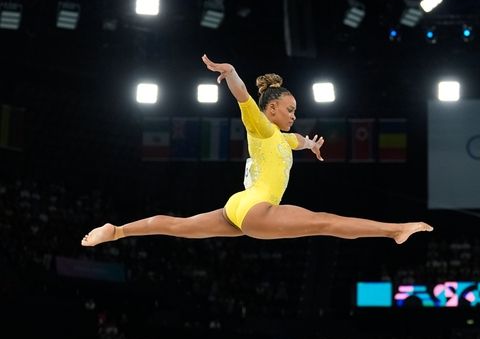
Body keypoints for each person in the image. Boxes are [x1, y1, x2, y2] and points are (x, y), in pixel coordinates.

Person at [81, 54, 432, 247]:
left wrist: (311, 145)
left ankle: (117, 231)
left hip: (240, 206)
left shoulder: (280, 138)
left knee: (178, 227)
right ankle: (395, 229)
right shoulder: (262, 126)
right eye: (290, 110)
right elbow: (243, 97)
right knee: (325, 222)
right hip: (256, 208)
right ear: (273, 109)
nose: (294, 115)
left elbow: (296, 141)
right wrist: (232, 72)